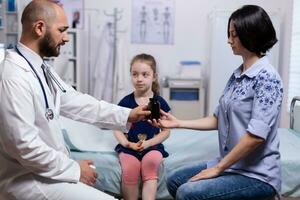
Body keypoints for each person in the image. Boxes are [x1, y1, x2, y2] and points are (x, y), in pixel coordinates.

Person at [0, 1, 150, 200]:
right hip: (28, 181)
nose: (66, 38)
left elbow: (77, 102)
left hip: (47, 174)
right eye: (62, 30)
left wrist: (128, 114)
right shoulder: (14, 76)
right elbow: (25, 146)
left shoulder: (42, 67)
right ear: (39, 28)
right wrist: (75, 169)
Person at [154, 5, 283, 200]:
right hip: (233, 165)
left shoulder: (267, 78)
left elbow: (256, 136)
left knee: (187, 193)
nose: (229, 40)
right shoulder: (237, 75)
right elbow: (217, 119)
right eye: (229, 34)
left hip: (257, 175)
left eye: (234, 35)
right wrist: (179, 123)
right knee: (174, 180)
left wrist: (217, 168)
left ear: (250, 34)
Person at [114, 54, 170, 200]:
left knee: (150, 163)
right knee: (130, 168)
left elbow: (166, 132)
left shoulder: (159, 103)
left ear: (154, 76)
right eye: (135, 74)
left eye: (145, 75)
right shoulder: (125, 102)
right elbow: (117, 128)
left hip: (152, 146)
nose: (139, 79)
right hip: (129, 147)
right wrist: (127, 143)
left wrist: (149, 143)